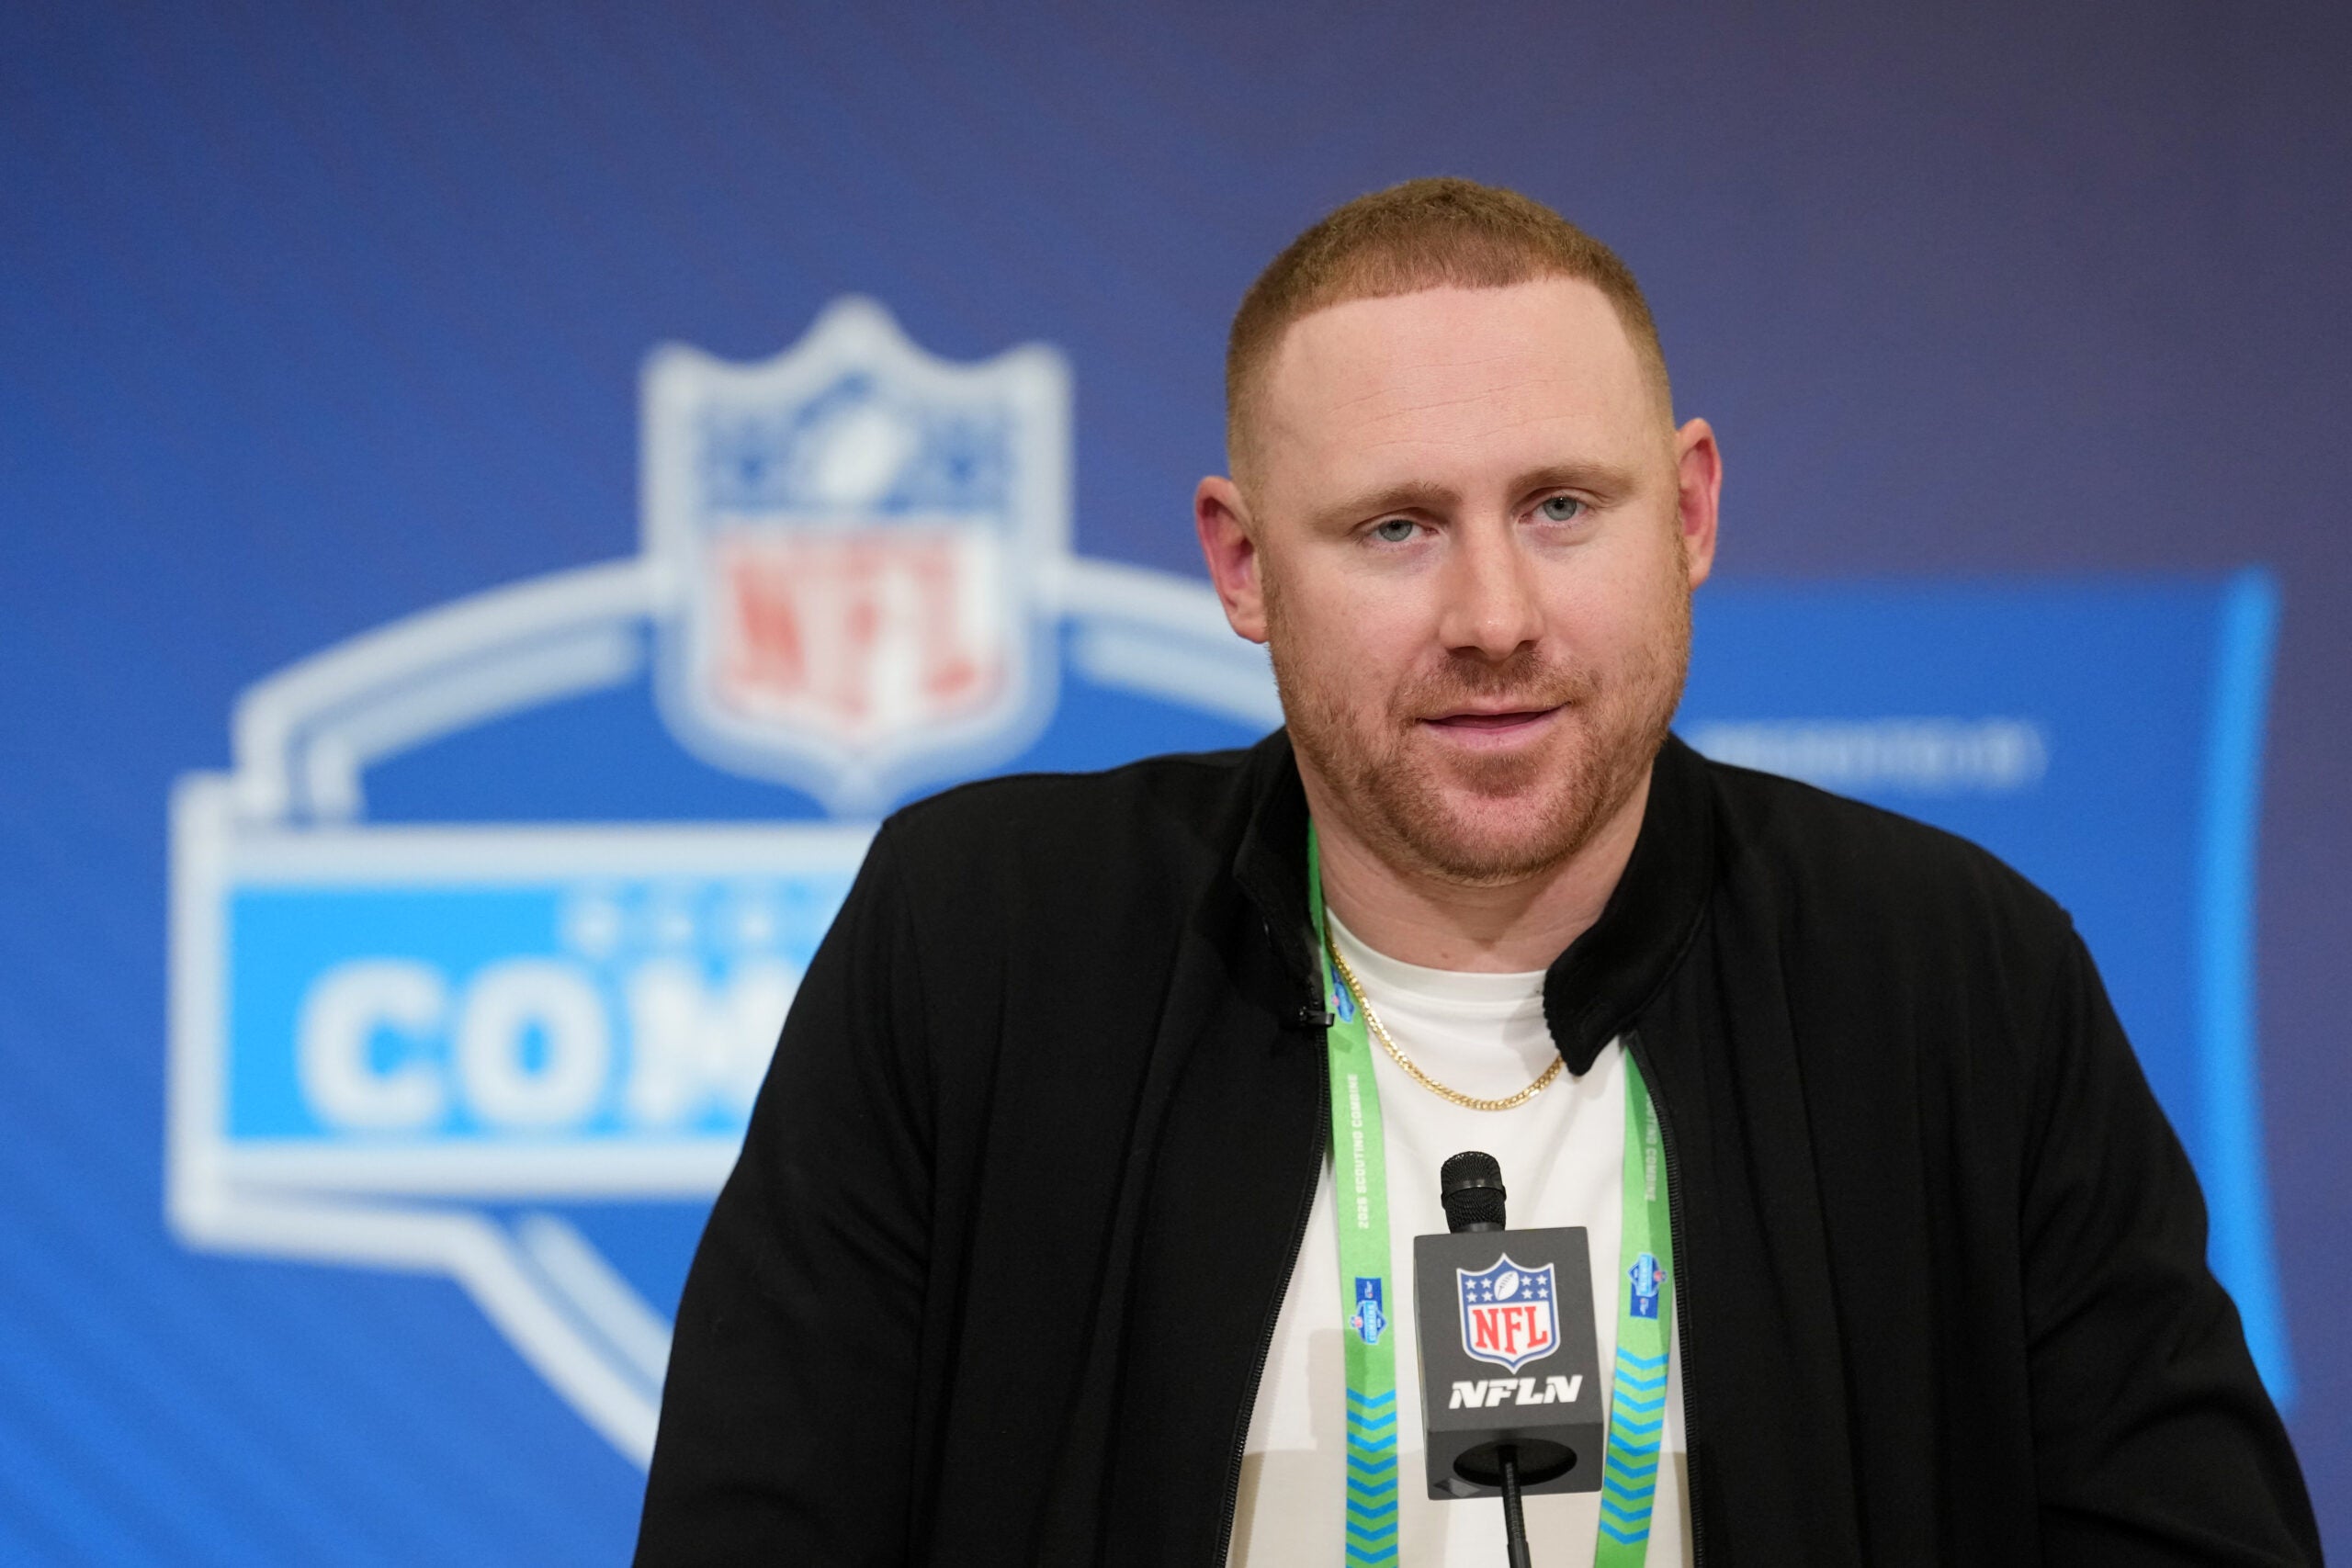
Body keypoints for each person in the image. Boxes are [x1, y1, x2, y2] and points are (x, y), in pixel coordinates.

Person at [634, 178, 2319, 1566]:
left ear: (1693, 514)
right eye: (1395, 528)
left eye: (1566, 507)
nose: (1495, 617)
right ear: (1238, 564)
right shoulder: (982, 946)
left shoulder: (1957, 974)